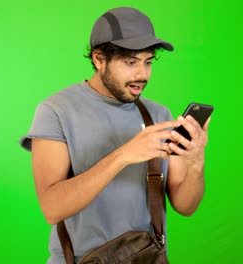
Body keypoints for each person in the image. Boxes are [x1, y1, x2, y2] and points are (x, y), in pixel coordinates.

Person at [20, 6, 211, 263]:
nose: (142, 74)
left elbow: (186, 207)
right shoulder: (55, 111)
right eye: (130, 62)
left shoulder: (158, 114)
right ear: (99, 59)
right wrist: (124, 154)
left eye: (148, 61)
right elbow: (52, 209)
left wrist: (196, 161)